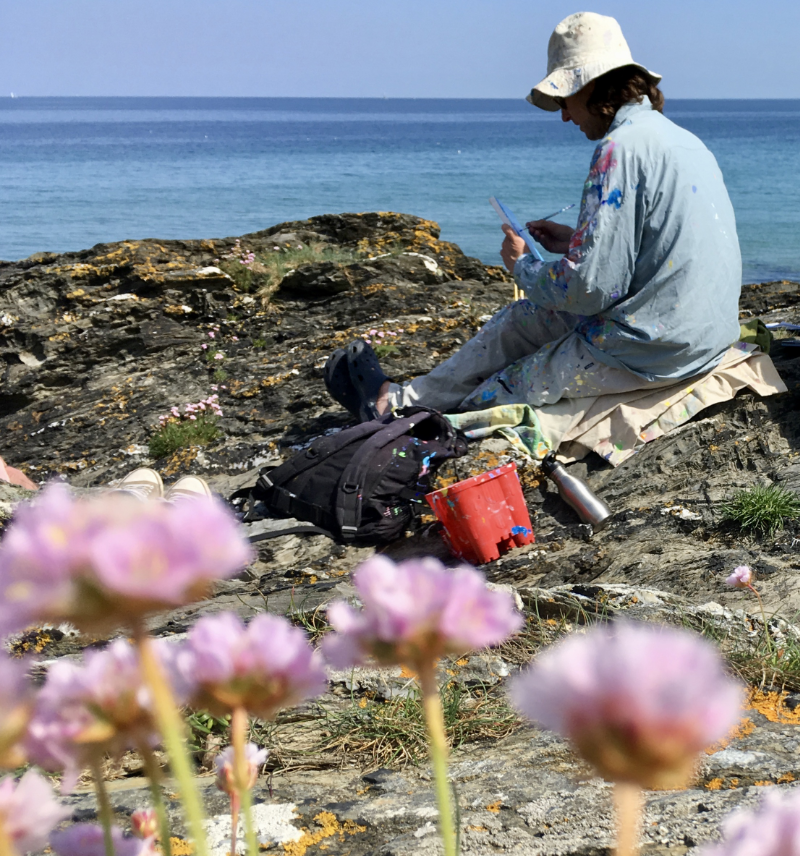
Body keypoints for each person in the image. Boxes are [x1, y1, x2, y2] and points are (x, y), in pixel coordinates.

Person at [325, 12, 742, 422]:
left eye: (564, 99)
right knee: (520, 320)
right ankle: (397, 399)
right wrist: (573, 241)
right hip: (704, 334)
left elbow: (591, 290)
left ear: (592, 86)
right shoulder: (683, 141)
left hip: (654, 347)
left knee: (497, 392)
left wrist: (522, 267)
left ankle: (403, 417)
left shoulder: (618, 150)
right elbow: (658, 242)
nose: (564, 114)